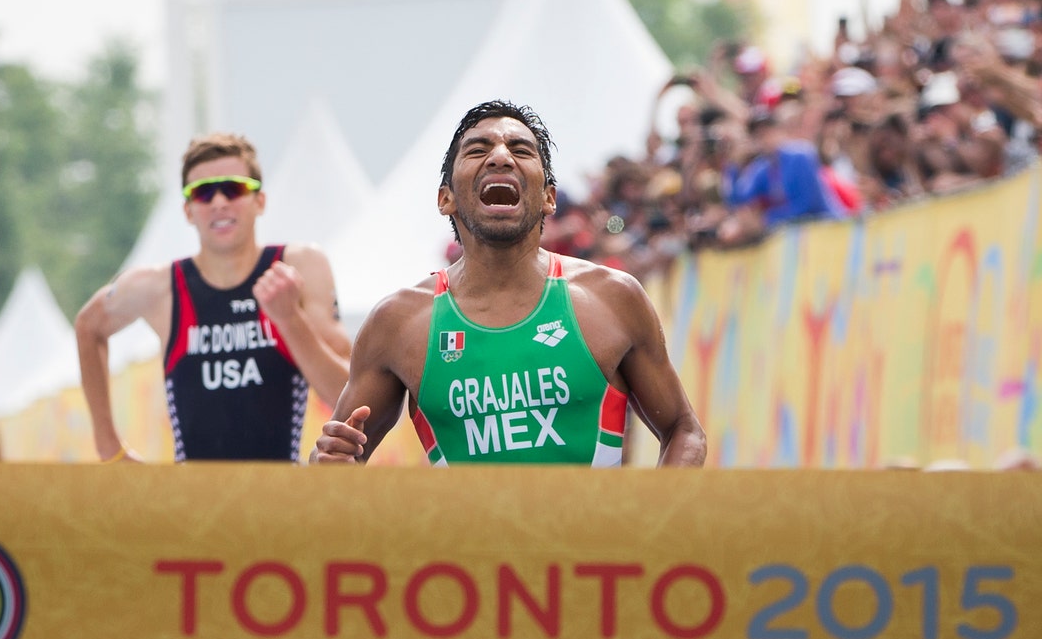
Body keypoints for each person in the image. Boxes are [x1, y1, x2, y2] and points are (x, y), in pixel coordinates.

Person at [313, 100, 706, 467]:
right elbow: (332, 465)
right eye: (477, 149)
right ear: (445, 198)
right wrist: (328, 463)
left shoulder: (612, 297)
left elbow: (683, 431)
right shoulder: (398, 322)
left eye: (520, 150)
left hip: (596, 543)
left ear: (549, 198)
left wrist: (656, 528)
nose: (500, 156)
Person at [75, 132, 351, 463]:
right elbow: (88, 326)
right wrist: (109, 447)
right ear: (189, 210)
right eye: (203, 193)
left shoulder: (299, 267)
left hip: (278, 500)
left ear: (259, 200)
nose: (219, 201)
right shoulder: (158, 286)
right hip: (191, 505)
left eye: (233, 188)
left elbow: (343, 395)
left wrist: (290, 320)